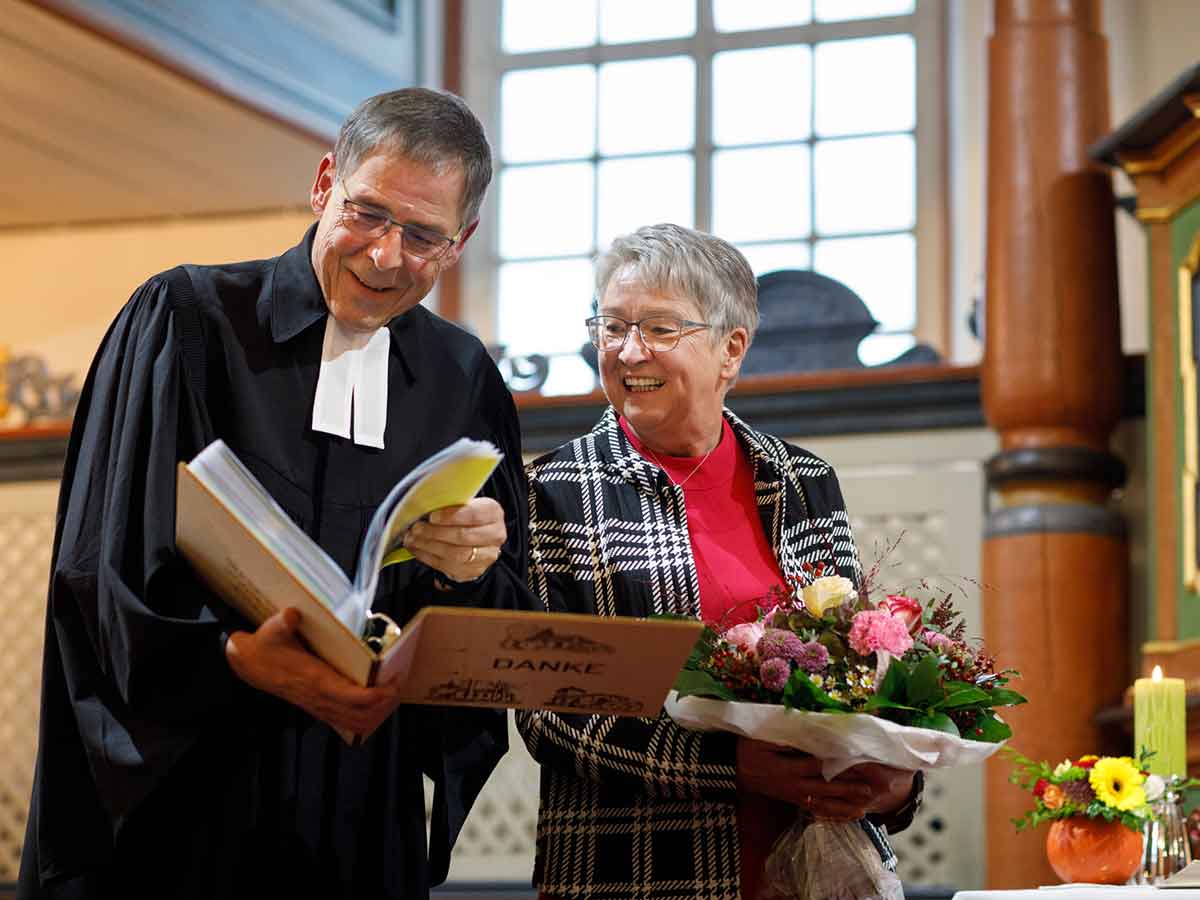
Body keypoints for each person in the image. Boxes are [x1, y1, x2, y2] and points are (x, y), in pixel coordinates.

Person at [18, 88, 533, 900]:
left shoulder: (461, 378)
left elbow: (500, 626)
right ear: (326, 182)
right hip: (188, 797)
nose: (387, 256)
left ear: (460, 241)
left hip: (362, 808)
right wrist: (231, 660)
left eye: (424, 236)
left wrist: (469, 566)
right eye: (368, 212)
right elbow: (98, 570)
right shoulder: (187, 319)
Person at [518, 224, 925, 900]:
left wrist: (892, 779)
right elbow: (549, 714)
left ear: (731, 349)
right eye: (611, 326)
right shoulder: (554, 491)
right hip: (636, 872)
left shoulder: (802, 479)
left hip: (815, 867)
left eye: (657, 328)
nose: (626, 351)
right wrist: (731, 766)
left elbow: (856, 670)